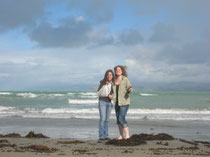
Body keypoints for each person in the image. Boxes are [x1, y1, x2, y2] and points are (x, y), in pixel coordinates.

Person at [112, 65, 132, 140]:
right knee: (118, 119)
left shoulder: (125, 79)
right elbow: (111, 90)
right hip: (116, 102)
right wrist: (110, 95)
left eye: (119, 69)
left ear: (122, 71)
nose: (117, 71)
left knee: (121, 118)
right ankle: (121, 135)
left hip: (124, 102)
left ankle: (127, 135)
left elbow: (130, 87)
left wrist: (129, 89)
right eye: (116, 70)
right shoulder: (113, 80)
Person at [97, 69, 114, 140]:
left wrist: (112, 96)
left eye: (111, 74)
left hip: (109, 103)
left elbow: (114, 93)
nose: (109, 76)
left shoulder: (113, 84)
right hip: (102, 102)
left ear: (113, 76)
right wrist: (107, 94)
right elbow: (98, 93)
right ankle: (101, 136)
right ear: (106, 76)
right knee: (103, 119)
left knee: (107, 120)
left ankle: (106, 135)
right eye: (108, 74)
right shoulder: (103, 83)